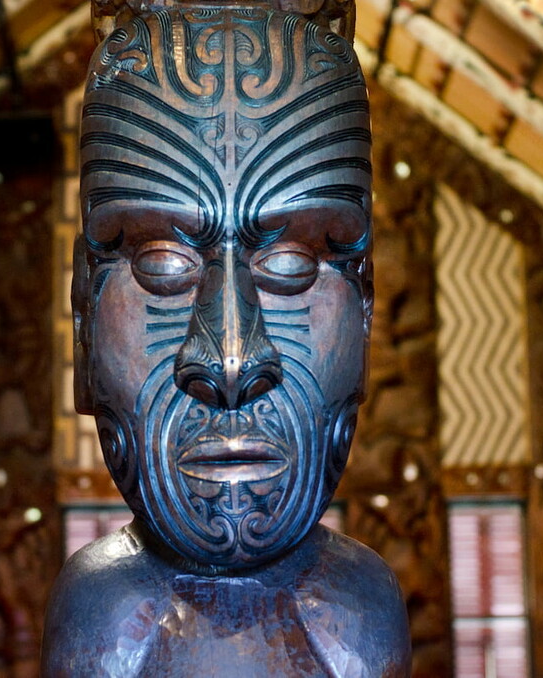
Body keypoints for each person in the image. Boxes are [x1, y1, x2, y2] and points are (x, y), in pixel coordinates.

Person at [43, 4, 411, 675]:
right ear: (82, 321)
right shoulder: (104, 619)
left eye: (293, 266)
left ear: (366, 307)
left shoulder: (360, 614)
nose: (233, 359)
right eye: (161, 265)